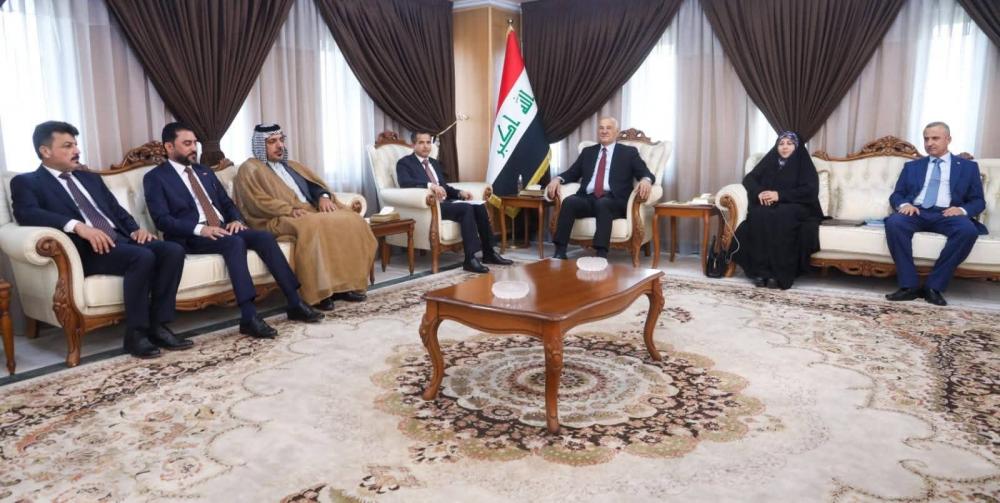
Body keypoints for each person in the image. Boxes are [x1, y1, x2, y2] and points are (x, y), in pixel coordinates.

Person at [11, 121, 190, 359]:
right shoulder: (27, 182)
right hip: (87, 249)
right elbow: (27, 213)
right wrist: (78, 226)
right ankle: (136, 334)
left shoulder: (89, 178)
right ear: (45, 151)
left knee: (172, 250)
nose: (77, 150)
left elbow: (115, 210)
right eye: (67, 146)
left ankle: (158, 325)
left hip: (120, 240)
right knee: (142, 257)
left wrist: (135, 230)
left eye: (76, 144)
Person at [143, 122, 322, 339]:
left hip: (223, 229)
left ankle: (294, 302)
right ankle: (249, 316)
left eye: (195, 143)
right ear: (169, 147)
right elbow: (162, 220)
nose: (193, 148)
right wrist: (201, 229)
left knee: (264, 237)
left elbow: (226, 203)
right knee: (234, 243)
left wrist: (235, 219)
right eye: (187, 144)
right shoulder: (155, 178)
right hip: (191, 237)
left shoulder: (204, 171)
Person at [233, 123, 377, 311]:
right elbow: (255, 201)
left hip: (308, 210)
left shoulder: (292, 165)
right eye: (272, 141)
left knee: (352, 220)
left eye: (281, 140)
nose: (279, 145)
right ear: (260, 145)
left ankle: (343, 286)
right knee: (313, 226)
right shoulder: (250, 168)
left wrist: (323, 197)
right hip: (276, 217)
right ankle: (320, 293)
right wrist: (288, 209)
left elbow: (313, 186)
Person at [884, 121, 986, 306]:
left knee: (968, 231)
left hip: (948, 214)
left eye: (935, 138)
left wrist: (961, 210)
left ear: (948, 139)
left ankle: (933, 287)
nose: (929, 143)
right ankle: (909, 286)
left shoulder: (968, 167)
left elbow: (978, 200)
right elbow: (897, 194)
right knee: (894, 222)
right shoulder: (912, 166)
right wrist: (905, 204)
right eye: (926, 139)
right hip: (917, 212)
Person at [396, 131, 512, 273]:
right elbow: (405, 182)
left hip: (446, 203)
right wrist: (430, 186)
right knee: (466, 209)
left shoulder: (433, 163)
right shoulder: (404, 163)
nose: (426, 146)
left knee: (479, 206)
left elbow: (444, 187)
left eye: (428, 142)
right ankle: (470, 259)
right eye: (421, 143)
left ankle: (489, 253)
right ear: (413, 145)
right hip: (431, 206)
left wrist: (459, 193)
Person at [546, 117, 654, 259]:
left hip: (615, 200)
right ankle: (560, 251)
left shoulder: (628, 152)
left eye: (608, 128)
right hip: (588, 198)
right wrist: (557, 179)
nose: (604, 131)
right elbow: (573, 172)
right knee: (569, 202)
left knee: (603, 203)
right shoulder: (588, 152)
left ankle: (601, 254)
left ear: (616, 132)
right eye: (601, 128)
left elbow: (645, 172)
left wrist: (646, 180)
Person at [732, 131, 823, 290]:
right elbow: (749, 179)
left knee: (782, 216)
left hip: (798, 205)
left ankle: (780, 274)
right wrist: (759, 192)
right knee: (759, 214)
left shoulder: (804, 164)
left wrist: (779, 195)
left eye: (789, 143)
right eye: (781, 144)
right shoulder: (770, 160)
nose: (784, 147)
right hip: (772, 205)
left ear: (796, 146)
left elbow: (809, 191)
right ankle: (760, 272)